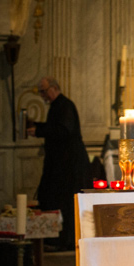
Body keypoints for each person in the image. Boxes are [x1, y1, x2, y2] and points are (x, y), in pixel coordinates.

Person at [26, 77, 90, 250]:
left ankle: (63, 241)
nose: (42, 95)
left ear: (54, 88)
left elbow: (63, 130)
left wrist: (39, 130)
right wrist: (37, 127)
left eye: (44, 91)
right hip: (62, 165)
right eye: (41, 92)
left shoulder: (65, 105)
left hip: (69, 166)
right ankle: (55, 240)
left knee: (64, 203)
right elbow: (55, 127)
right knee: (54, 199)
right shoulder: (58, 106)